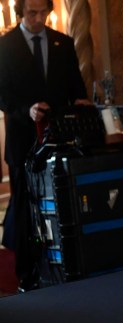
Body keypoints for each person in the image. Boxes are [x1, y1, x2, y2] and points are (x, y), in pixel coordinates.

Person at [0, 0, 90, 291]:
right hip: (22, 141)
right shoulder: (5, 46)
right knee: (26, 209)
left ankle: (65, 269)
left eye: (43, 12)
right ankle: (27, 276)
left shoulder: (62, 42)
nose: (39, 18)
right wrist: (27, 110)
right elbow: (2, 96)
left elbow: (77, 87)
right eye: (32, 13)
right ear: (20, 13)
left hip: (59, 141)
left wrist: (81, 103)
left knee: (62, 206)